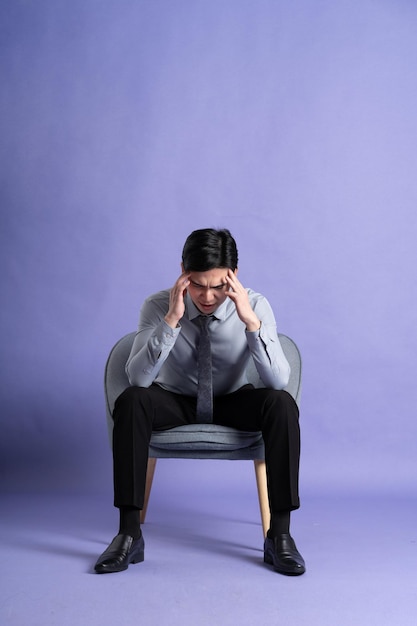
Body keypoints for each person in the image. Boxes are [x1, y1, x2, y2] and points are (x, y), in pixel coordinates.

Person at [94, 228, 305, 576]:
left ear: (233, 277)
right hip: (174, 400)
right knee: (132, 400)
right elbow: (139, 378)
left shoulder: (255, 304)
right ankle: (129, 534)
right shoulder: (158, 304)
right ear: (183, 273)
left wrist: (250, 321)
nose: (207, 296)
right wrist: (173, 318)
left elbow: (278, 380)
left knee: (281, 404)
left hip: (231, 400)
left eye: (219, 285)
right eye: (197, 284)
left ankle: (279, 536)